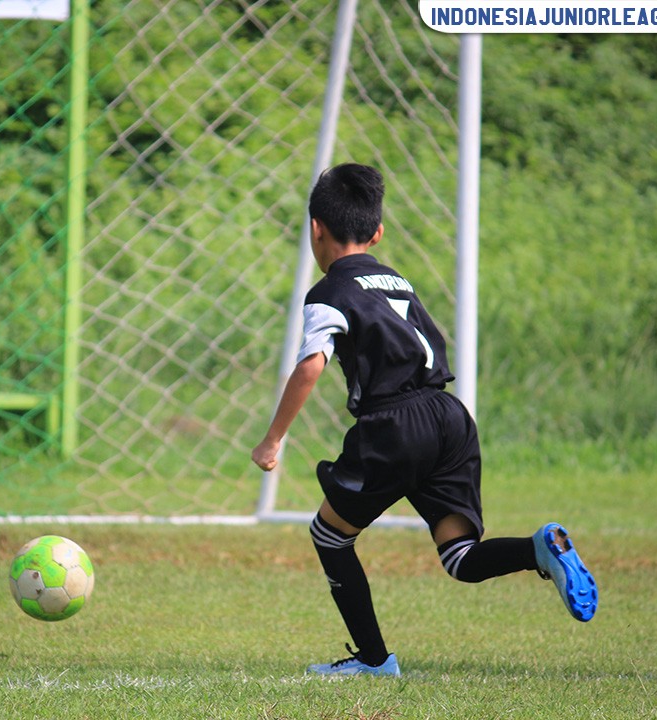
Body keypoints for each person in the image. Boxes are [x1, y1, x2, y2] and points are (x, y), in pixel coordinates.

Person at [251, 163, 598, 676]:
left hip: (395, 426)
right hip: (449, 416)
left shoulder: (327, 293)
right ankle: (539, 550)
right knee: (460, 556)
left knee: (330, 535)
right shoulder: (395, 279)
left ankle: (373, 661)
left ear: (315, 228)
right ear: (377, 233)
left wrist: (272, 440)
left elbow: (310, 366)